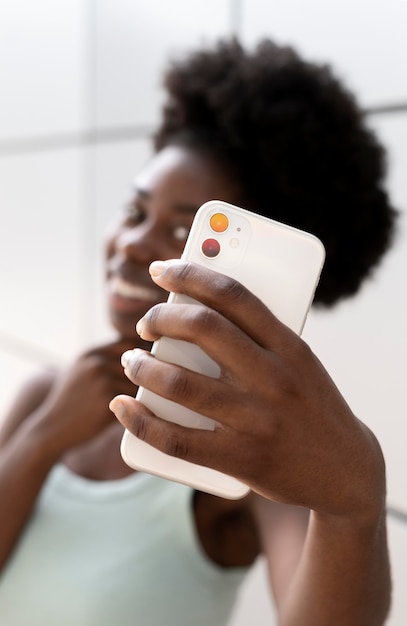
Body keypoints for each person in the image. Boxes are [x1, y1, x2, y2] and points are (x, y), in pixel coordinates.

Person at [0, 38, 396, 626]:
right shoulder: (46, 394)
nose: (132, 243)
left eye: (186, 232)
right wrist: (41, 443)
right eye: (136, 212)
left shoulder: (239, 458)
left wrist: (352, 510)